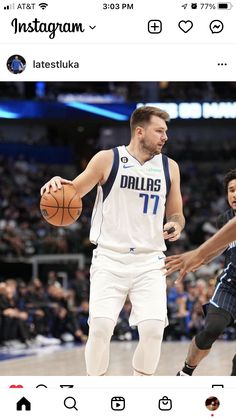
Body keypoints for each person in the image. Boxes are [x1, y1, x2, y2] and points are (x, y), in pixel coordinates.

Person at [41, 106, 185, 376]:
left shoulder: (170, 167)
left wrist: (175, 224)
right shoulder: (108, 159)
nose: (165, 137)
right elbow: (74, 191)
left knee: (154, 330)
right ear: (140, 131)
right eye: (160, 131)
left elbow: (176, 212)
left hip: (150, 259)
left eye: (166, 132)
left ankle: (138, 390)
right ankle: (96, 388)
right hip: (110, 257)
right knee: (101, 327)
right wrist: (56, 185)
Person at [165, 169, 236, 376]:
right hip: (230, 285)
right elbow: (222, 246)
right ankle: (185, 372)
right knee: (212, 329)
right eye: (231, 190)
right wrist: (199, 259)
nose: (234, 194)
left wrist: (197, 254)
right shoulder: (225, 219)